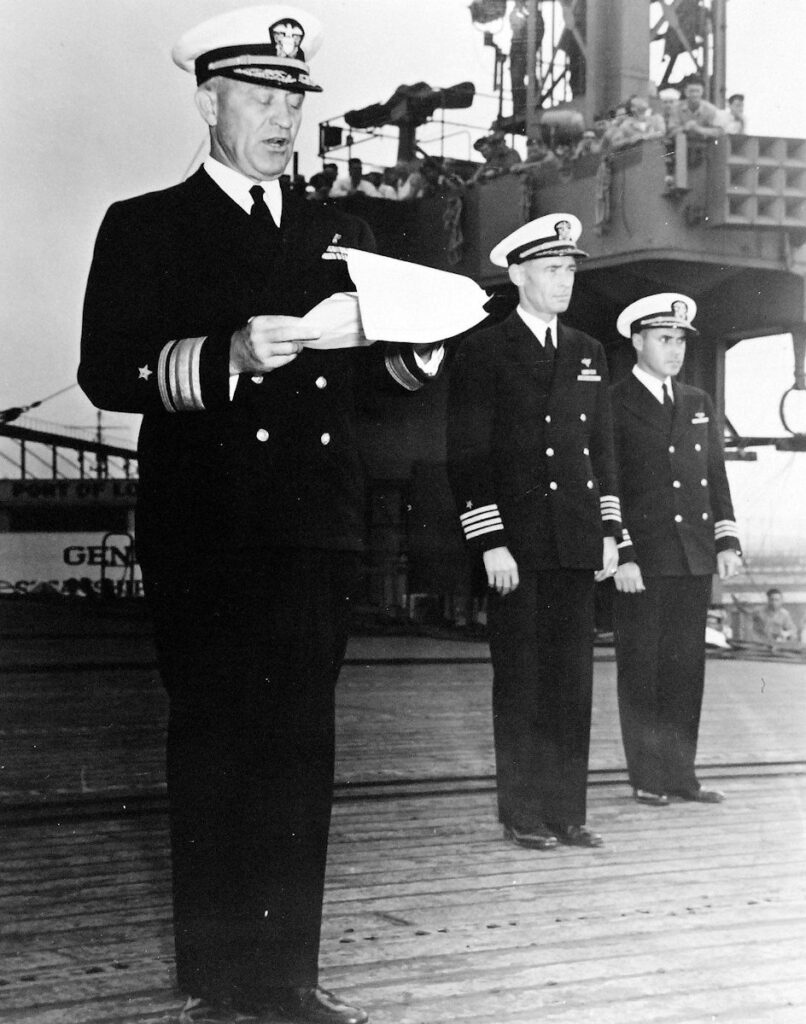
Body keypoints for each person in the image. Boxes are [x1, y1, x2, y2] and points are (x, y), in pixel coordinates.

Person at [78, 7, 445, 1024]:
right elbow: (106, 371)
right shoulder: (146, 224)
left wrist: (418, 347)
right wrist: (228, 356)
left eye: (294, 100)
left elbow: (376, 385)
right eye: (262, 98)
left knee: (299, 745)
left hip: (315, 526)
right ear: (208, 99)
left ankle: (285, 977)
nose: (284, 119)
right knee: (214, 739)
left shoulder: (345, 236)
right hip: (207, 526)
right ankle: (213, 976)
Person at [446, 214, 622, 852]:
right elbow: (466, 455)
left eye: (570, 270)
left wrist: (611, 533)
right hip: (517, 545)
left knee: (572, 682)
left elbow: (601, 451)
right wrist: (489, 540)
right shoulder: (484, 351)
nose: (564, 281)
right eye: (552, 270)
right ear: (518, 275)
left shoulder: (588, 351)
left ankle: (566, 812)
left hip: (575, 541)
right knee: (520, 679)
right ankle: (523, 812)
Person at [611, 294, 742, 809]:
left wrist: (726, 540)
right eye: (664, 339)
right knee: (642, 670)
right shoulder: (614, 402)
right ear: (638, 341)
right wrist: (622, 553)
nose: (675, 350)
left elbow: (715, 477)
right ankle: (647, 776)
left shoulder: (697, 403)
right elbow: (608, 482)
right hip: (642, 560)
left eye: (681, 341)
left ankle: (681, 774)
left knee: (686, 670)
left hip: (692, 557)